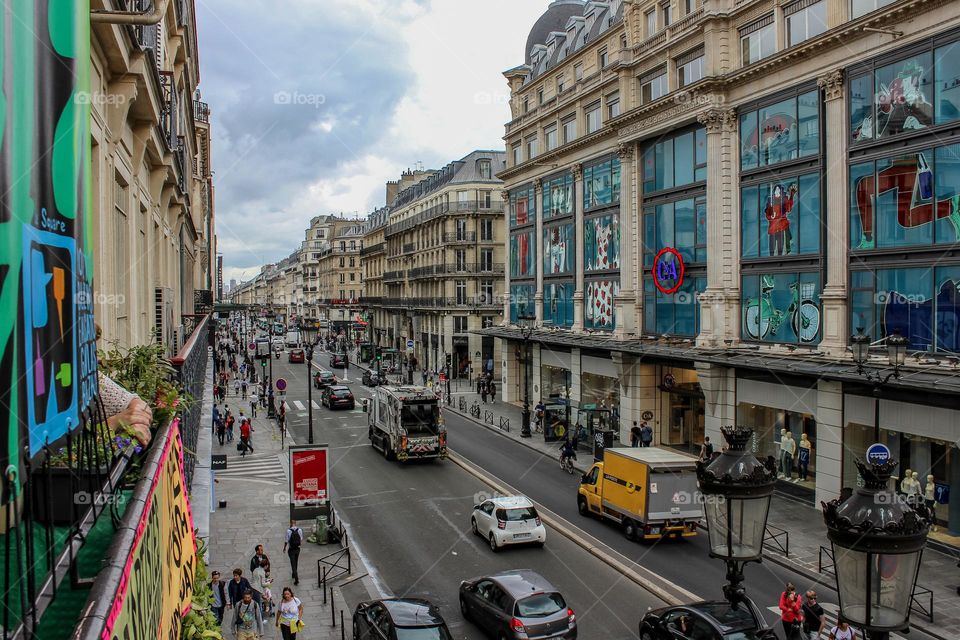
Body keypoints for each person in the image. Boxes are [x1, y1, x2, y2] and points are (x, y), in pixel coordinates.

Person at [282, 521, 304, 586]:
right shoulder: (299, 530)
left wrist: (284, 548)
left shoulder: (288, 531)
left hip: (291, 549)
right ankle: (294, 574)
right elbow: (301, 538)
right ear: (295, 524)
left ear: (290, 524)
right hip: (297, 549)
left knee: (292, 563)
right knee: (296, 561)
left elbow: (286, 540)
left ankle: (296, 578)